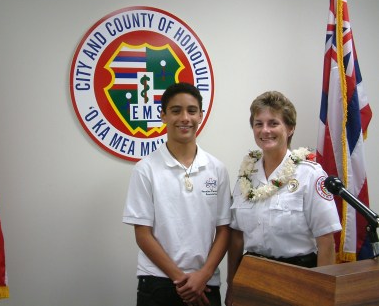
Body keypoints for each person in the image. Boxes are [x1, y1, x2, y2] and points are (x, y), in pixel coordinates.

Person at [225, 91, 342, 306]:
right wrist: (232, 284)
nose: (265, 130)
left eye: (273, 123)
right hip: (252, 276)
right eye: (258, 123)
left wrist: (322, 295)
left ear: (290, 129)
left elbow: (326, 243)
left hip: (298, 277)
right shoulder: (246, 176)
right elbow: (236, 237)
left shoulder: (310, 175)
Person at [123, 82, 231, 306]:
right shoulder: (145, 169)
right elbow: (142, 234)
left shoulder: (217, 169)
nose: (184, 118)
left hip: (205, 281)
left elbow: (224, 230)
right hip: (158, 282)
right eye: (175, 110)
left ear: (201, 115)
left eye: (191, 111)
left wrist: (203, 275)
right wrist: (182, 280)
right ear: (163, 115)